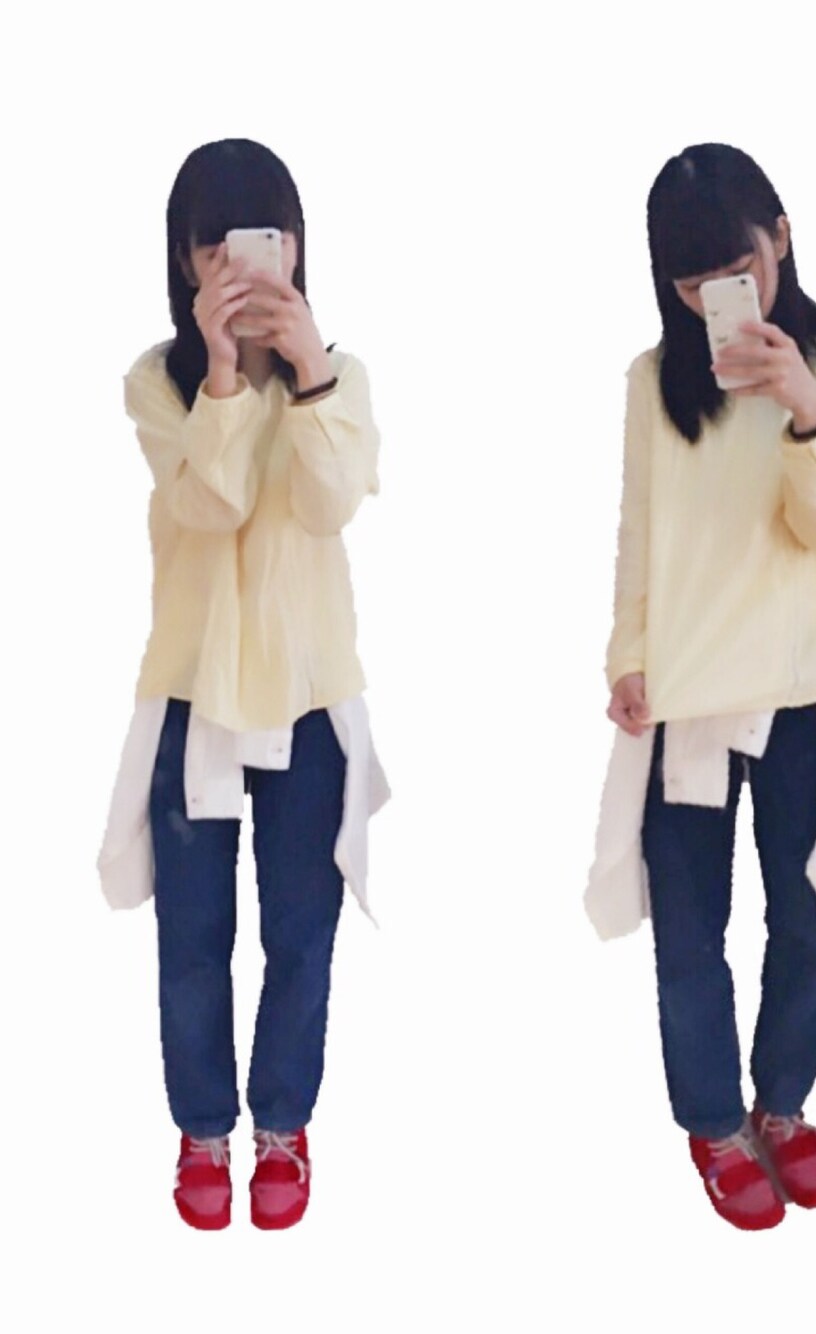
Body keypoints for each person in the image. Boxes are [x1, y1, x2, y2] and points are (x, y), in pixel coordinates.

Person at [585, 143, 816, 1231]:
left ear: (782, 236)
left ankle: (785, 1102)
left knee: (803, 922)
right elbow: (641, 528)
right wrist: (627, 656)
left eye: (737, 268)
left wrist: (803, 404)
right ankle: (716, 1122)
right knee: (690, 935)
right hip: (686, 697)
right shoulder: (655, 382)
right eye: (692, 282)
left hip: (808, 692)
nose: (718, 295)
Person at [97, 138, 389, 1231]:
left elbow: (329, 503)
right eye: (211, 245)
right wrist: (222, 372)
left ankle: (283, 1124)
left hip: (308, 700)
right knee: (192, 938)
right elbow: (208, 506)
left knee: (301, 932)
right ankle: (203, 1126)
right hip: (194, 697)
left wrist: (307, 373)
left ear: (296, 247)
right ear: (185, 261)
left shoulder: (342, 378)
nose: (237, 263)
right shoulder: (158, 381)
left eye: (259, 238)